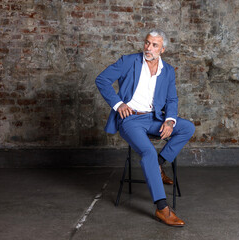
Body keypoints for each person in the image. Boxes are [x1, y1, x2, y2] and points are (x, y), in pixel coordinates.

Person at [95, 29, 195, 227]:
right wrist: (118, 104)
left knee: (187, 128)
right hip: (130, 120)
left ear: (162, 49)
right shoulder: (128, 61)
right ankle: (162, 208)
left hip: (155, 119)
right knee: (147, 151)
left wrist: (169, 121)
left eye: (154, 45)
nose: (149, 48)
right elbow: (102, 80)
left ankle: (158, 165)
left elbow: (172, 99)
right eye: (147, 43)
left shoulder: (167, 71)